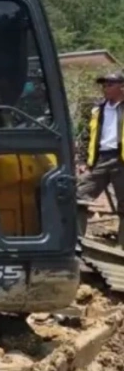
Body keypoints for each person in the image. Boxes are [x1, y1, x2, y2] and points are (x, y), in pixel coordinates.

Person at [78, 71, 124, 245]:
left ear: (122, 86)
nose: (105, 88)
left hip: (122, 160)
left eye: (109, 84)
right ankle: (78, 241)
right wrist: (83, 160)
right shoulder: (98, 109)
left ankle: (122, 247)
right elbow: (87, 136)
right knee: (79, 197)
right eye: (103, 85)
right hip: (101, 160)